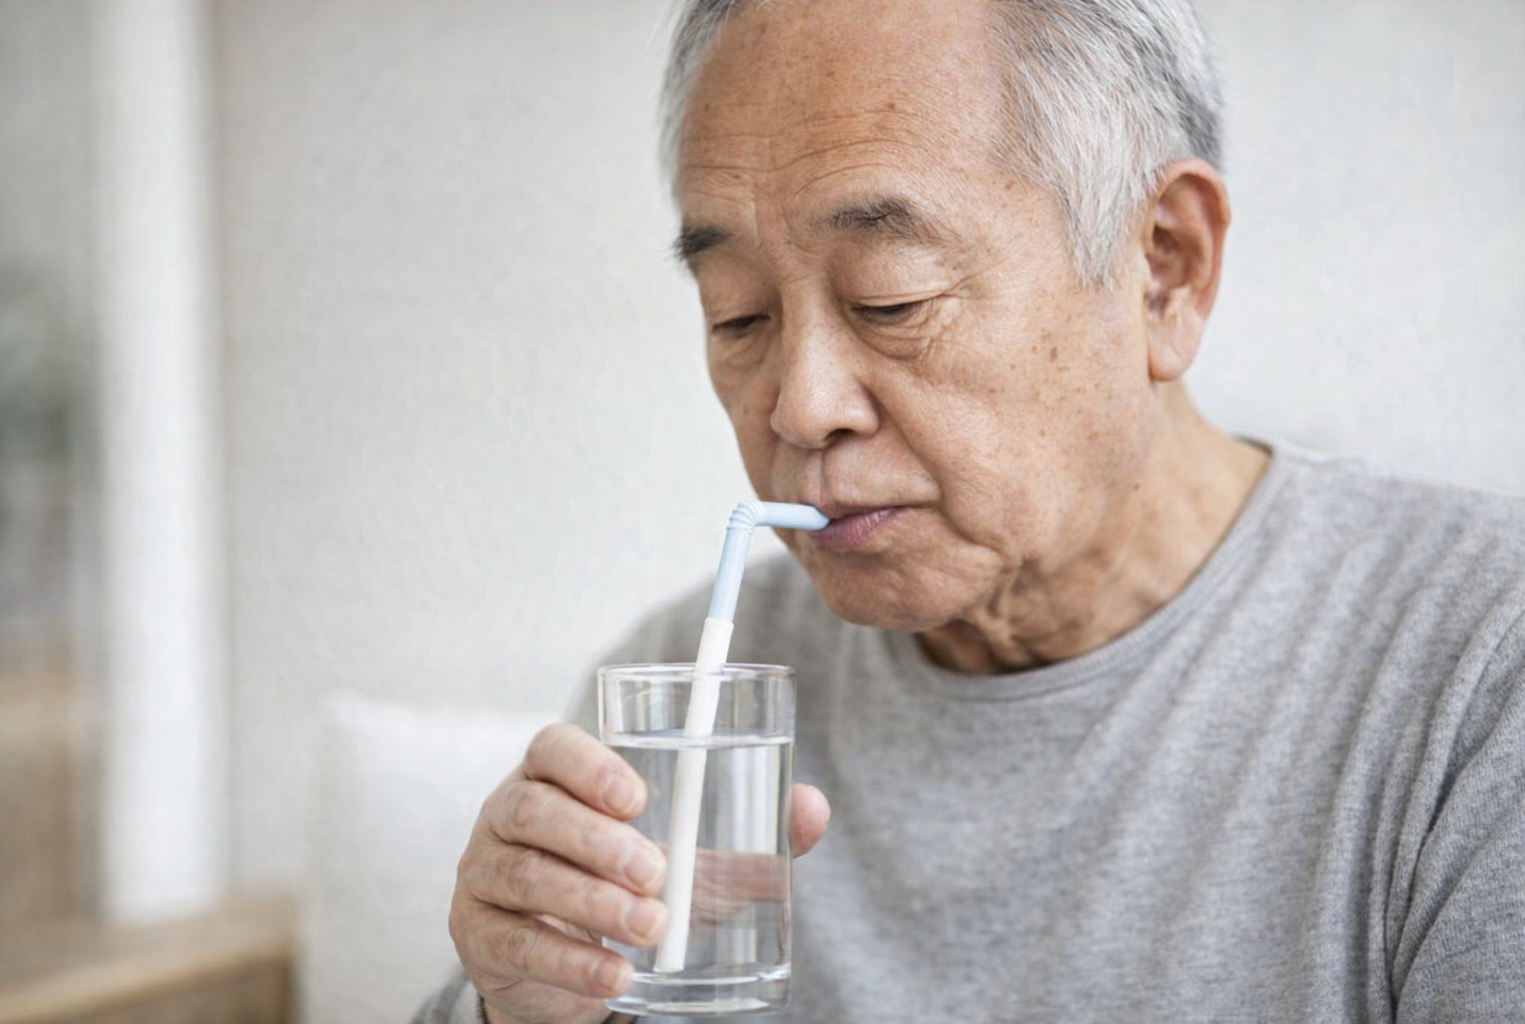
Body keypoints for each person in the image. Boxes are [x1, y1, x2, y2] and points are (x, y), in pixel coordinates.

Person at [418, 0, 1525, 1021]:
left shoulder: (1478, 671)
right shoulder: (691, 700)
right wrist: (513, 1010)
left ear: (1163, 270)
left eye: (891, 298)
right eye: (740, 315)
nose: (799, 407)